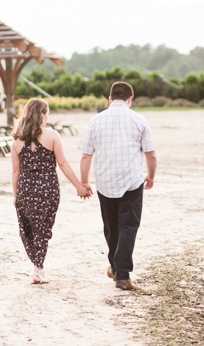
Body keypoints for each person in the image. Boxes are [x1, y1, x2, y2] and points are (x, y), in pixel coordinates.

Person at [78, 81, 157, 290]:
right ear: (130, 99)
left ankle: (116, 267)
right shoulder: (139, 120)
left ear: (110, 99)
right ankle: (121, 274)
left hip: (104, 183)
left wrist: (84, 182)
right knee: (128, 227)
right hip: (132, 182)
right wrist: (150, 176)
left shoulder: (95, 121)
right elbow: (151, 154)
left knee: (112, 228)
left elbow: (86, 156)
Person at [11, 98, 92, 284]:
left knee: (29, 229)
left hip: (25, 188)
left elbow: (16, 171)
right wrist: (79, 186)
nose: (48, 116)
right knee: (43, 228)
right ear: (41, 115)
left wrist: (16, 195)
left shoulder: (16, 140)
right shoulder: (52, 135)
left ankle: (37, 267)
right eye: (46, 113)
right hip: (47, 188)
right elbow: (62, 163)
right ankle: (38, 270)